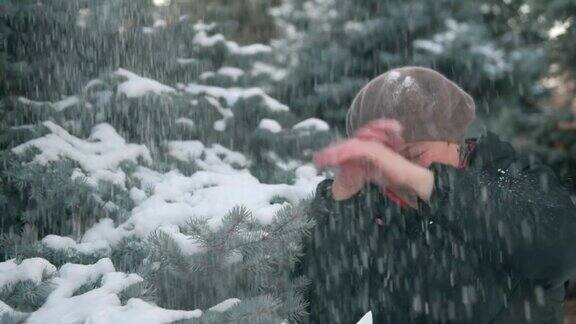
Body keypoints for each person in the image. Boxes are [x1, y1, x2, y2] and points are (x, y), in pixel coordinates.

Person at [298, 66, 576, 323]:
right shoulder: (375, 211)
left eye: (414, 154)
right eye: (384, 161)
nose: (396, 171)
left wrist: (432, 185)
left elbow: (558, 255)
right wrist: (342, 200)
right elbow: (318, 311)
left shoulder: (506, 173)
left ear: (452, 139)